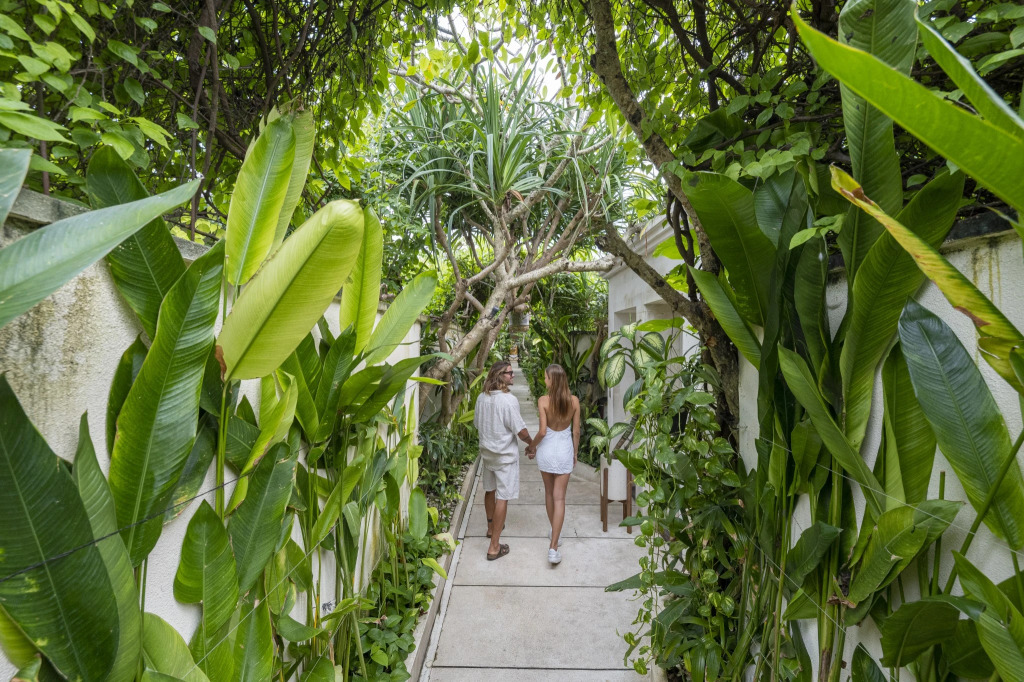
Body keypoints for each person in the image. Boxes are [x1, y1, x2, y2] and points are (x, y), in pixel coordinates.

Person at [474, 361, 532, 561]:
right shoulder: (508, 400)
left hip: (488, 453)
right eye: (509, 373)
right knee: (503, 497)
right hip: (504, 456)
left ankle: (491, 528)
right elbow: (520, 430)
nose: (513, 375)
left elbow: (477, 423)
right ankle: (494, 547)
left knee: (490, 490)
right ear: (499, 376)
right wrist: (531, 444)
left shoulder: (481, 398)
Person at [526, 364, 580, 565]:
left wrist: (531, 447)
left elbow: (542, 432)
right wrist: (575, 452)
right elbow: (576, 431)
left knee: (549, 494)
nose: (544, 380)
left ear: (553, 380)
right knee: (560, 498)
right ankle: (553, 546)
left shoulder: (543, 401)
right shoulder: (574, 401)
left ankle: (555, 532)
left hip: (547, 451)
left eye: (546, 378)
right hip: (564, 450)